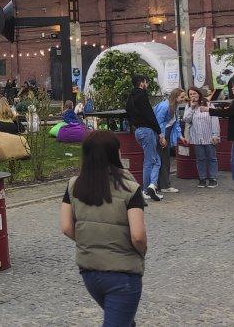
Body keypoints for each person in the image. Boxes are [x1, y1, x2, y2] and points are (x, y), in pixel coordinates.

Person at [60, 130, 148, 327]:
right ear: (115, 153)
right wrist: (141, 252)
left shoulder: (73, 185)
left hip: (90, 272)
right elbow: (138, 235)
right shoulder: (130, 189)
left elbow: (66, 227)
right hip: (122, 273)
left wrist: (88, 241)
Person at [126, 75, 165, 202]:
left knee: (155, 159)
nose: (147, 85)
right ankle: (148, 188)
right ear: (142, 83)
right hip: (147, 130)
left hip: (138, 130)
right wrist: (159, 131)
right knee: (151, 161)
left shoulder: (130, 97)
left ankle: (151, 186)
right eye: (146, 82)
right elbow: (150, 114)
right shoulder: (142, 95)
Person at [183, 87, 219, 188]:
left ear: (199, 94)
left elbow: (214, 119)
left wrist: (215, 135)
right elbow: (186, 119)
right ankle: (202, 178)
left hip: (209, 135)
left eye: (194, 93)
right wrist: (192, 108)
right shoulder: (189, 106)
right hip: (197, 137)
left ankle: (213, 178)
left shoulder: (208, 104)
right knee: (200, 159)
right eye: (190, 94)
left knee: (212, 158)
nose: (193, 96)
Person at [153, 89, 184, 194]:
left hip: (166, 133)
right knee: (164, 159)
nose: (183, 99)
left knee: (164, 159)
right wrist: (161, 137)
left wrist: (180, 136)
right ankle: (163, 185)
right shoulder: (165, 106)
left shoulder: (173, 106)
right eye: (182, 97)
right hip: (162, 134)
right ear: (176, 97)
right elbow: (159, 122)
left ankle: (161, 184)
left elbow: (175, 124)